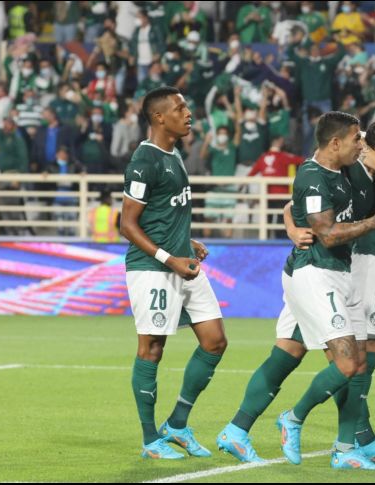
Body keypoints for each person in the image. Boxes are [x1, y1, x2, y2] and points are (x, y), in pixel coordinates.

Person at [216, 112, 375, 470]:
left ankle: (236, 430)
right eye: (356, 140)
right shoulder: (315, 174)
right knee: (349, 362)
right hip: (314, 274)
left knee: (287, 356)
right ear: (337, 143)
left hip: (335, 273)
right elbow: (329, 233)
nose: (360, 144)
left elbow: (294, 206)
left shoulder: (350, 167)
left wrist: (290, 223)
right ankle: (298, 419)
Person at [121, 86, 227, 459]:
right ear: (159, 118)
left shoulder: (175, 154)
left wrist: (189, 240)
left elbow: (165, 212)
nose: (189, 113)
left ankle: (177, 424)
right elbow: (127, 224)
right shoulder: (144, 161)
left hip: (183, 261)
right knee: (152, 349)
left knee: (215, 341)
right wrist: (170, 257)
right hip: (153, 269)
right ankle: (151, 440)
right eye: (180, 108)